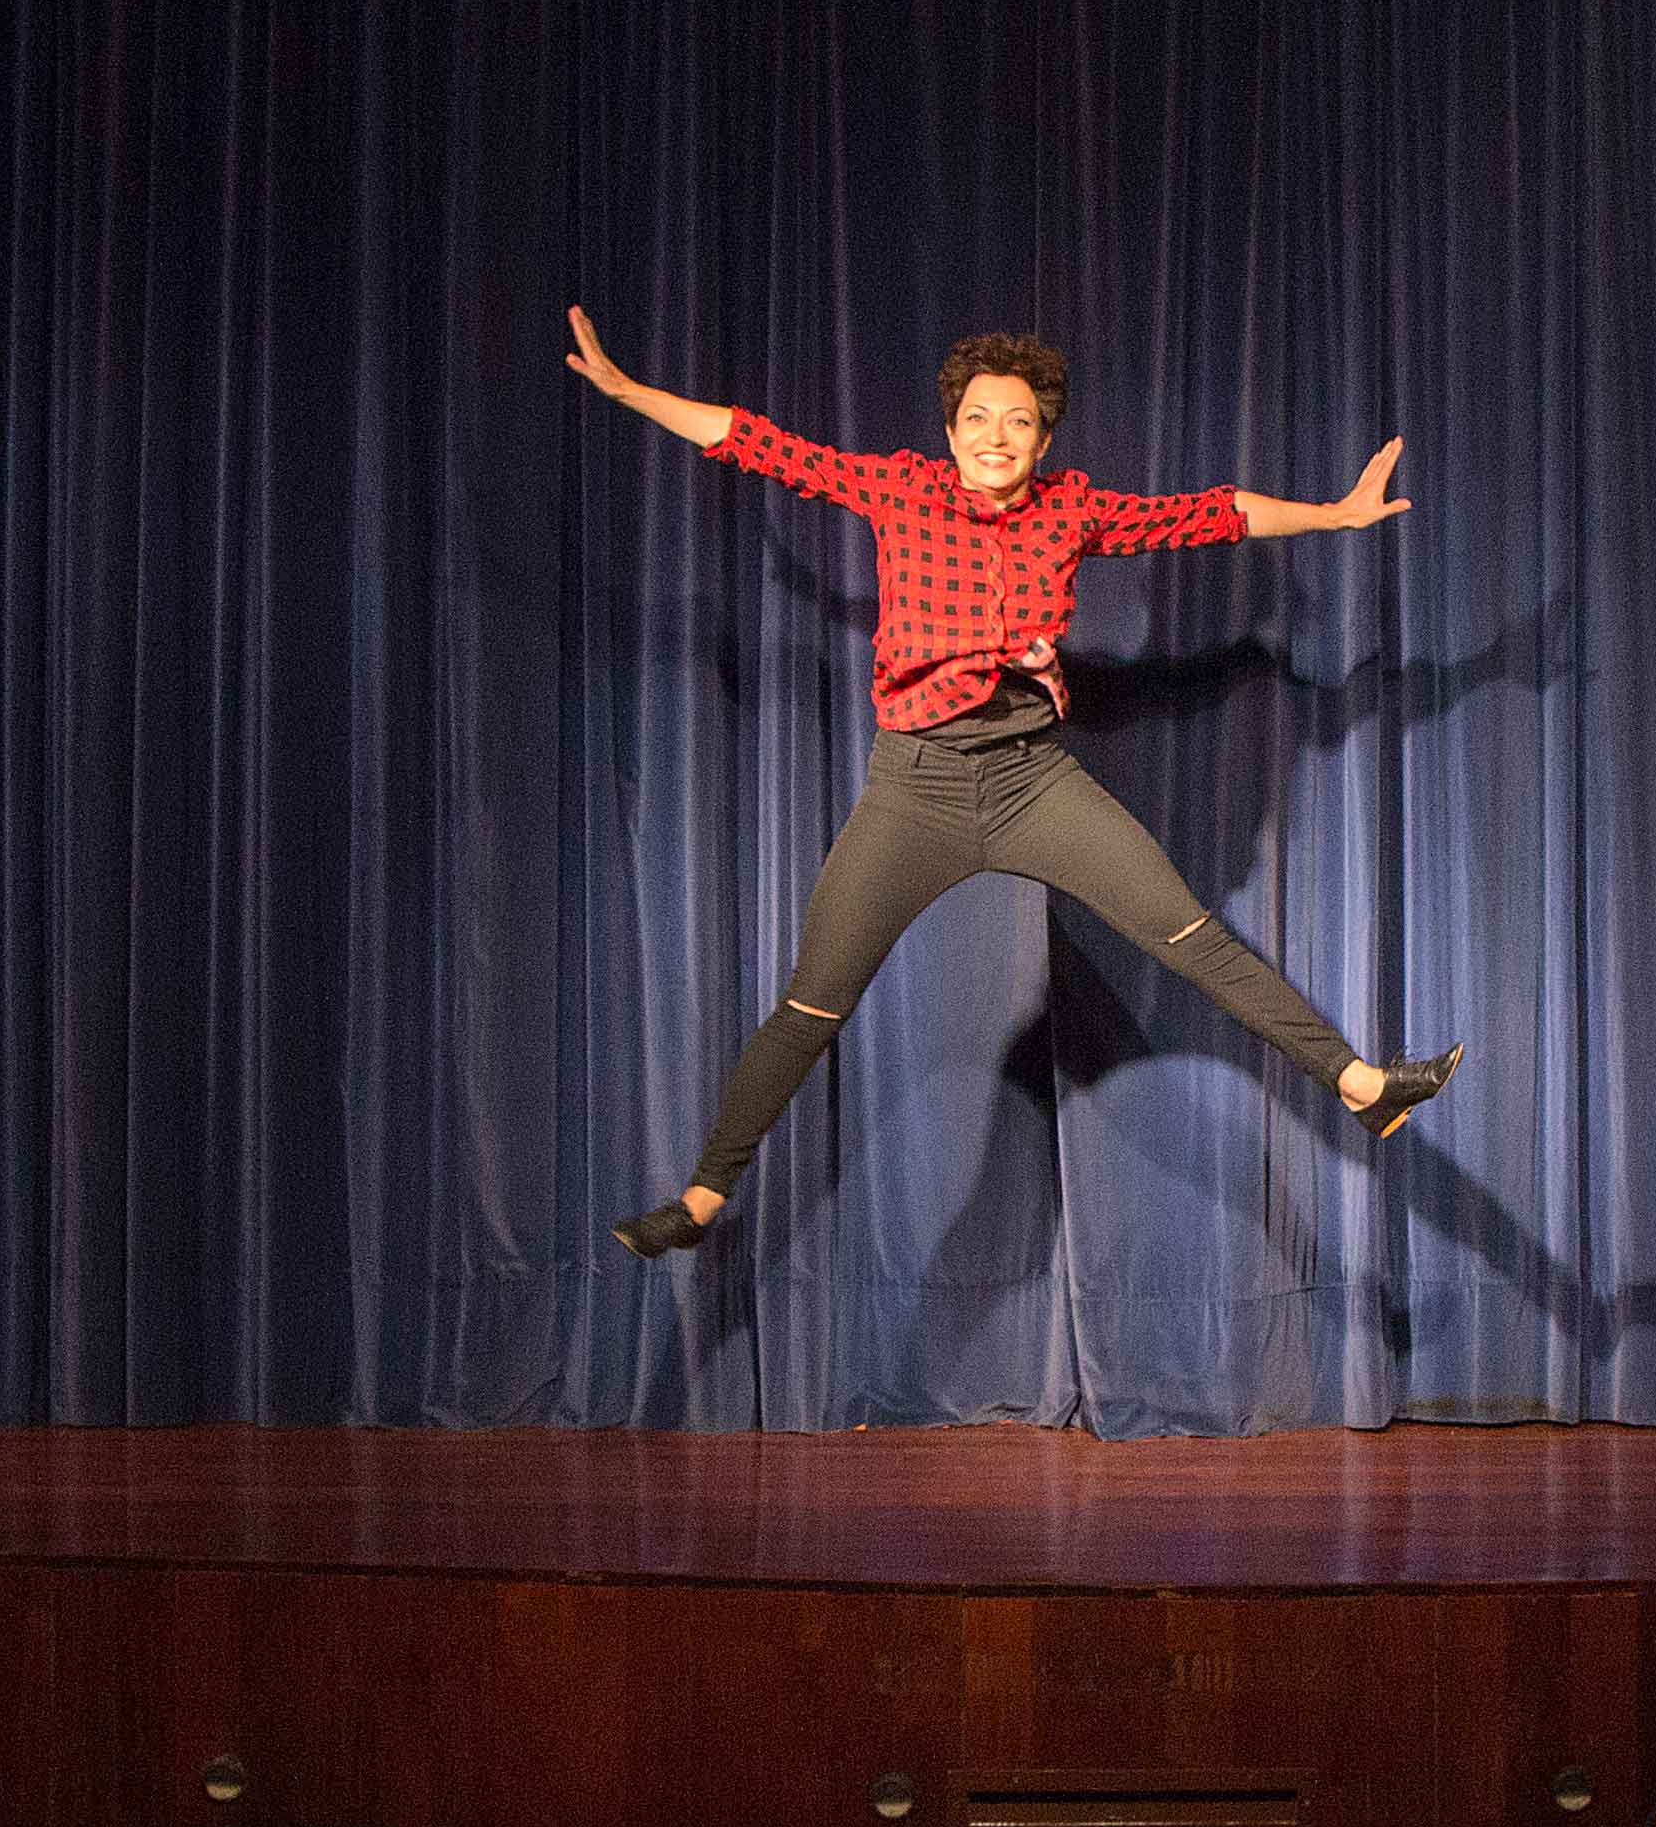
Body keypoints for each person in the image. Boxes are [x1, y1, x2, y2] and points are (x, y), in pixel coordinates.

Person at [566, 305, 1461, 1259]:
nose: (997, 436)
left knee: (1193, 936)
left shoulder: (1071, 510)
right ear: (950, 432)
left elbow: (1212, 514)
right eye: (979, 419)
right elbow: (759, 445)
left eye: (1020, 421)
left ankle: (1362, 1085)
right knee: (812, 1005)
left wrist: (1333, 515)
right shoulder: (900, 491)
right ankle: (701, 1201)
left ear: (1043, 440)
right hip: (915, 790)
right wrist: (631, 392)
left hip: (1034, 782)